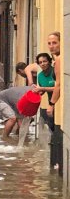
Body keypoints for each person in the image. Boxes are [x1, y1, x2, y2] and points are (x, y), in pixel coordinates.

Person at [45, 31, 61, 174]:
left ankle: (57, 165)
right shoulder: (57, 59)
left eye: (54, 42)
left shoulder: (60, 60)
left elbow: (59, 85)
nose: (51, 46)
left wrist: (51, 104)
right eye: (49, 43)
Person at [32, 53, 55, 131]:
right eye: (40, 62)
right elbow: (42, 91)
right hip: (51, 102)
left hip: (59, 101)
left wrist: (42, 88)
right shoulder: (40, 76)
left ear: (49, 61)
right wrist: (36, 93)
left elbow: (58, 88)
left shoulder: (54, 71)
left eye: (44, 61)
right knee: (51, 125)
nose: (42, 64)